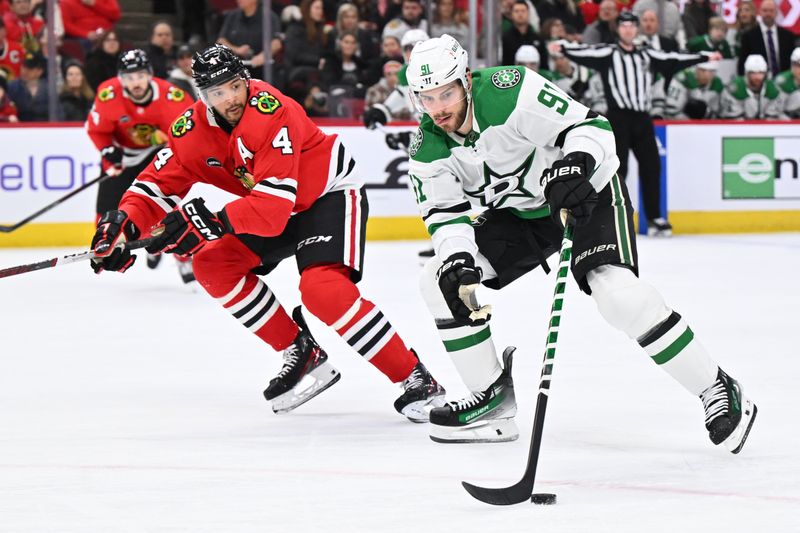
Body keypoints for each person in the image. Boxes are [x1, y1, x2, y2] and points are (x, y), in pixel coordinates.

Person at [404, 34, 758, 453]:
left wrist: (576, 164)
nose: (439, 107)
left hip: (584, 189)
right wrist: (458, 257)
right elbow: (445, 215)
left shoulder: (511, 90)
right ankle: (492, 401)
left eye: (446, 92)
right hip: (520, 217)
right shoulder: (427, 147)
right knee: (439, 280)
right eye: (427, 98)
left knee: (616, 295)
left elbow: (591, 128)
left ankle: (715, 386)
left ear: (465, 79)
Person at [89, 44, 446, 420]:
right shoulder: (191, 129)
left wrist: (205, 221)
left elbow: (272, 212)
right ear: (202, 96)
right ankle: (301, 352)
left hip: (327, 196)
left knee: (323, 291)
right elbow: (155, 186)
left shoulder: (272, 111)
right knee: (212, 264)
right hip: (269, 206)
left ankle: (414, 377)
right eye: (216, 92)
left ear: (245, 80)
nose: (229, 99)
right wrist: (123, 225)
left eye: (233, 86)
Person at [552, 11, 721, 237]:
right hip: (618, 118)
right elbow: (585, 52)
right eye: (624, 26)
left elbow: (673, 58)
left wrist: (704, 57)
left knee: (652, 166)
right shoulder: (609, 52)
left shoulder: (646, 54)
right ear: (618, 30)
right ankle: (612, 216)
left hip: (642, 118)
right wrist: (562, 48)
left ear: (636, 29)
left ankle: (654, 218)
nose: (628, 30)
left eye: (632, 26)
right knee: (618, 169)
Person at [85, 49, 193, 281]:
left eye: (140, 75)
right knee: (104, 214)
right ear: (120, 79)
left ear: (151, 75)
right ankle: (108, 252)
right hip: (123, 157)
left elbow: (188, 136)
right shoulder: (108, 94)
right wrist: (108, 151)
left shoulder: (173, 98)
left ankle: (181, 257)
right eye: (129, 77)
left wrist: (166, 142)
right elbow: (97, 130)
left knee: (164, 209)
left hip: (158, 156)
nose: (135, 82)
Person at [738, 0, 797, 77]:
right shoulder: (749, 36)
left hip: (785, 82)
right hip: (759, 82)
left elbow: (793, 62)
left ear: (776, 12)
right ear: (760, 12)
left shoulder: (787, 36)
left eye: (771, 10)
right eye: (765, 10)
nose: (768, 14)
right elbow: (742, 64)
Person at [720, 54, 781, 119]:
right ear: (746, 73)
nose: (757, 77)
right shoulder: (733, 89)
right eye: (753, 73)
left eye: (761, 72)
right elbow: (733, 118)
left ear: (765, 73)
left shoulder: (773, 89)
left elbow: (773, 117)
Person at [6, 50, 49, 121]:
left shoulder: (48, 88)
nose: (24, 71)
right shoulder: (12, 87)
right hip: (18, 129)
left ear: (39, 71)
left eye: (29, 68)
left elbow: (58, 113)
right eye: (23, 66)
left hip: (44, 129)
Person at [776, 47, 800, 118]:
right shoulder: (782, 81)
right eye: (798, 66)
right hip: (788, 120)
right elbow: (776, 111)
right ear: (792, 66)